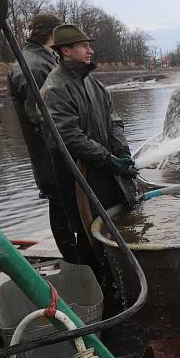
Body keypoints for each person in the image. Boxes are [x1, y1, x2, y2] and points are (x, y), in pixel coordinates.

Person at [40, 24, 137, 274]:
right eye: (84, 46)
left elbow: (113, 120)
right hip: (79, 178)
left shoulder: (93, 84)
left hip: (105, 170)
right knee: (88, 232)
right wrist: (108, 159)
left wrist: (122, 153)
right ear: (66, 51)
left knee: (119, 220)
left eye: (89, 45)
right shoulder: (55, 89)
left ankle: (123, 274)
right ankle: (100, 283)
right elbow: (69, 136)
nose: (90, 51)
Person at [7, 13, 76, 261]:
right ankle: (74, 262)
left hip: (59, 153)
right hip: (51, 156)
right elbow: (40, 117)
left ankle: (78, 260)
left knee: (67, 207)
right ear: (51, 33)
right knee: (61, 208)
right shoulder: (33, 66)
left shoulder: (45, 59)